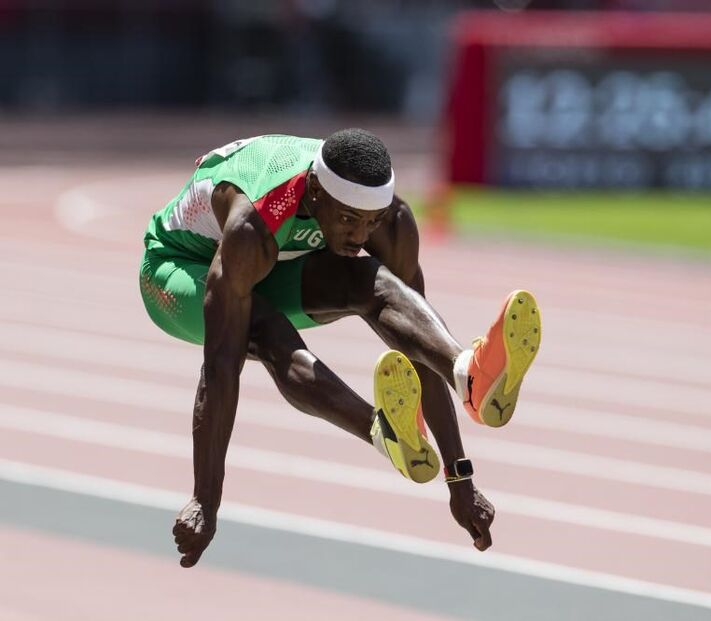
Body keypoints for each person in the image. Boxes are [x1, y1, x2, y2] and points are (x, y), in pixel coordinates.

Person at [138, 130, 542, 568]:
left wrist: (458, 476)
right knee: (269, 332)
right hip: (177, 269)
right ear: (315, 191)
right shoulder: (251, 221)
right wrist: (205, 501)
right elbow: (220, 367)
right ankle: (379, 430)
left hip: (275, 260)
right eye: (348, 220)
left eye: (370, 222)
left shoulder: (393, 220)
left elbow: (416, 349)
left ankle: (467, 369)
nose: (359, 234)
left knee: (377, 283)